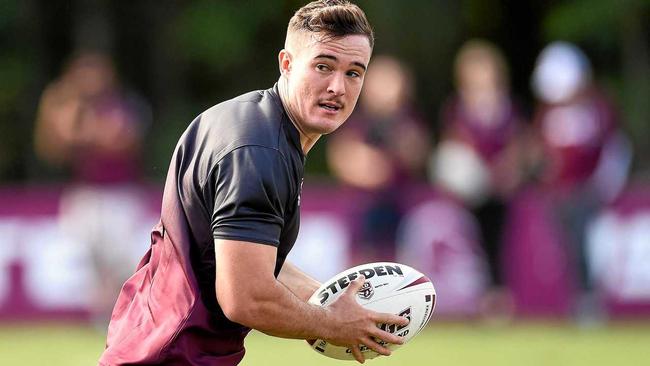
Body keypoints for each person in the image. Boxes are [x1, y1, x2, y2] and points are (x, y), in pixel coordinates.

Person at [99, 1, 408, 365]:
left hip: (150, 346)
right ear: (287, 64)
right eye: (323, 66)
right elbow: (245, 296)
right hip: (173, 355)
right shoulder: (260, 151)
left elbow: (244, 256)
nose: (338, 87)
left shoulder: (252, 122)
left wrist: (326, 300)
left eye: (354, 73)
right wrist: (330, 323)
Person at [33, 51, 152, 326]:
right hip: (87, 193)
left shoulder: (120, 104)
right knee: (92, 260)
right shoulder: (75, 108)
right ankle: (105, 318)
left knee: (124, 258)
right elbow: (52, 148)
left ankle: (134, 315)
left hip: (120, 194)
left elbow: (118, 140)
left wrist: (79, 128)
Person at [429, 40, 528, 317]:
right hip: (468, 192)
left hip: (499, 190)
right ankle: (476, 298)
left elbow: (518, 144)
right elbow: (453, 146)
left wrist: (505, 170)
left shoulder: (508, 106)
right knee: (471, 244)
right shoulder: (458, 107)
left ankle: (497, 299)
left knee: (496, 241)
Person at [327, 55, 430, 262]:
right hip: (363, 209)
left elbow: (418, 154)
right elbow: (345, 158)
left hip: (402, 206)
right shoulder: (356, 120)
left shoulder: (408, 122)